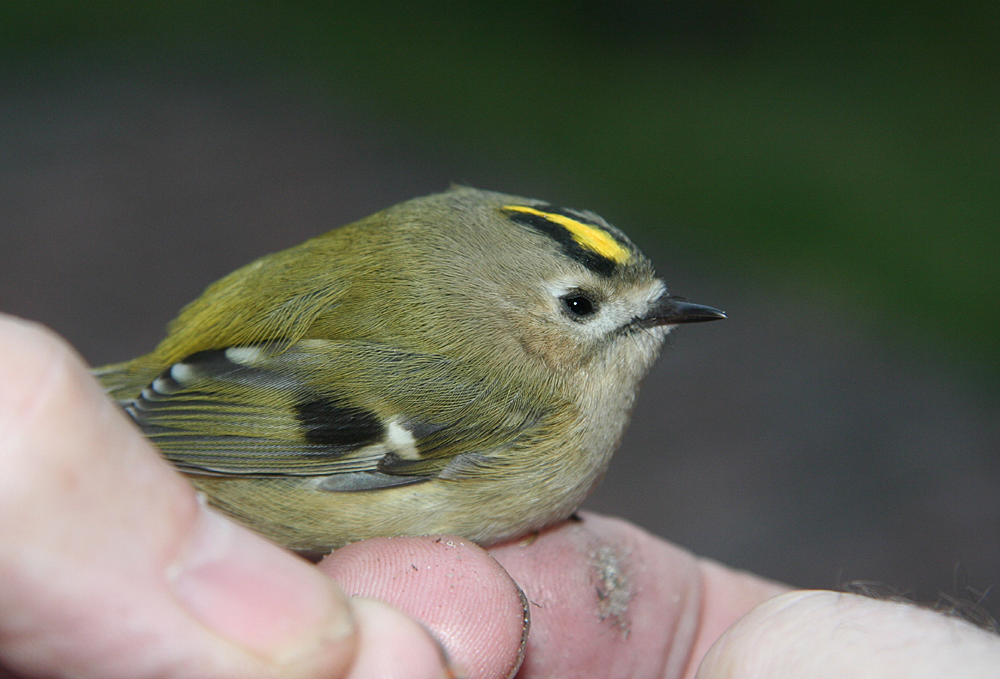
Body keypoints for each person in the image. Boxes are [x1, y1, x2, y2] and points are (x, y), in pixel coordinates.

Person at [1, 314, 997, 679]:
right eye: (585, 308)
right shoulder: (513, 402)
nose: (643, 322)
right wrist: (140, 430)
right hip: (246, 421)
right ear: (528, 328)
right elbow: (284, 419)